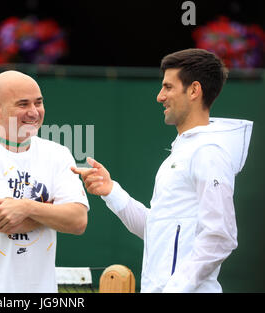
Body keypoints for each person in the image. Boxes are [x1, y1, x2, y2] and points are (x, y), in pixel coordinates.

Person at [72, 48, 253, 293]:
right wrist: (111, 191)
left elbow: (220, 236)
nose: (160, 96)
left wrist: (174, 289)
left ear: (194, 90)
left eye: (168, 87)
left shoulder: (208, 152)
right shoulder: (185, 150)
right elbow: (158, 229)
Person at [0, 70, 89, 292]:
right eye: (23, 104)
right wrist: (55, 210)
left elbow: (78, 221)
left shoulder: (59, 154)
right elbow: (11, 224)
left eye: (39, 102)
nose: (34, 112)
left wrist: (25, 206)